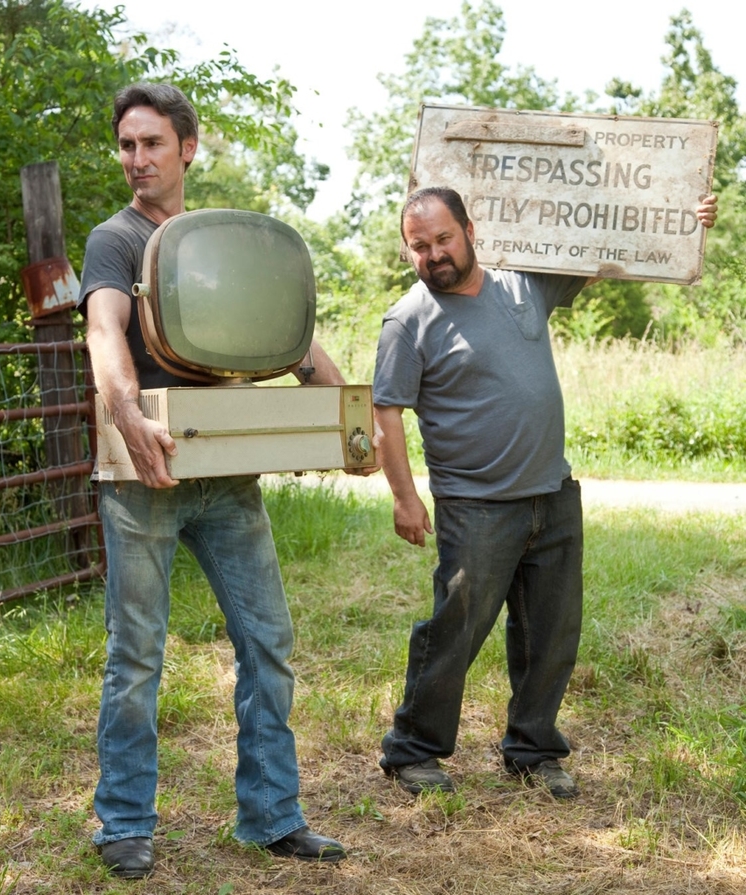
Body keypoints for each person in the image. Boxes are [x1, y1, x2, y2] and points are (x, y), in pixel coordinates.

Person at [78, 82, 355, 878]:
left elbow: (298, 347)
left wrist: (348, 416)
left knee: (269, 641)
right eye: (127, 145)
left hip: (227, 476)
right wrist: (127, 415)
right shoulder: (114, 239)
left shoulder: (220, 242)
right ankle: (124, 821)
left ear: (187, 149)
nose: (137, 160)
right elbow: (105, 332)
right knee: (136, 655)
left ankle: (271, 815)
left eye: (152, 144)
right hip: (144, 476)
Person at [373, 186, 717, 799]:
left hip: (551, 493)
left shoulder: (522, 284)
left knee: (551, 632)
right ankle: (412, 751)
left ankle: (532, 751)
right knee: (455, 629)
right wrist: (405, 496)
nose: (433, 254)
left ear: (470, 231)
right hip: (476, 505)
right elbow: (387, 413)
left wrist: (680, 225)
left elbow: (606, 253)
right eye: (418, 246)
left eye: (443, 239)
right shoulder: (408, 319)